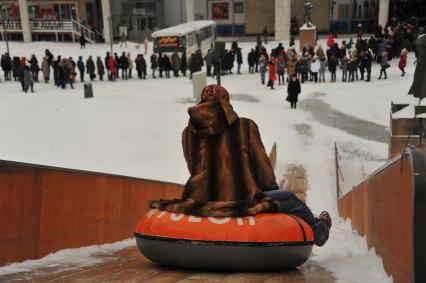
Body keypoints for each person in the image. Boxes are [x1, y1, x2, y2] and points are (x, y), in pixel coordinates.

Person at [150, 84, 331, 246]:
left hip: (201, 200)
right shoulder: (245, 126)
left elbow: (193, 168)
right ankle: (318, 230)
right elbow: (263, 169)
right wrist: (267, 194)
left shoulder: (187, 134)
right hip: (239, 200)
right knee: (290, 199)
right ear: (226, 102)